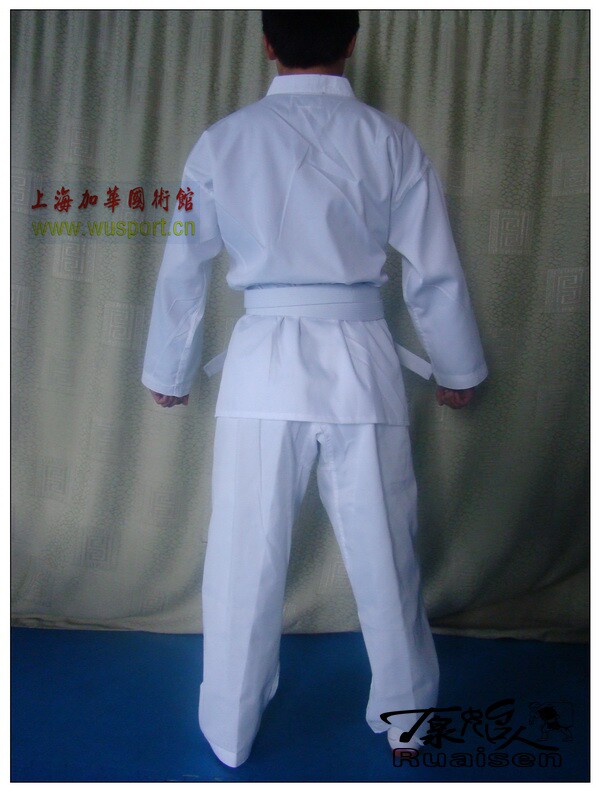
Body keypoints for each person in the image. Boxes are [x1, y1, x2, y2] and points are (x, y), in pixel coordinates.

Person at [141, 10, 488, 768]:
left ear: (267, 43)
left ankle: (230, 729)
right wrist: (456, 366)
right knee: (385, 549)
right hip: (360, 361)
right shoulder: (389, 140)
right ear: (352, 40)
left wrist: (169, 369)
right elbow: (433, 264)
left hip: (263, 365)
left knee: (244, 552)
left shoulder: (223, 141)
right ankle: (407, 721)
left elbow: (184, 262)